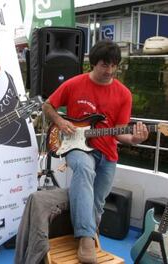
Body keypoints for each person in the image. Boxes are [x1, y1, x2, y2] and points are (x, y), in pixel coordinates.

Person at [42, 40, 149, 263]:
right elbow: (47, 106)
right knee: (84, 168)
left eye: (113, 66)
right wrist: (60, 122)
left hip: (108, 152)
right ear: (93, 63)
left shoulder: (124, 94)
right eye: (104, 65)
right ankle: (86, 239)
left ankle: (86, 234)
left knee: (97, 203)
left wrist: (136, 139)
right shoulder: (74, 84)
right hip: (75, 145)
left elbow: (121, 134)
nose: (109, 71)